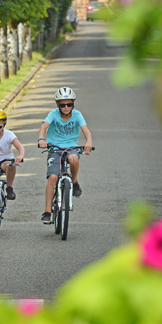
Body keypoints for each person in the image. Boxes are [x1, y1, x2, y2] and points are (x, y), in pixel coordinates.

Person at [37, 86, 93, 224]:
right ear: (58, 105)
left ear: (73, 104)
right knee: (53, 178)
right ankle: (47, 210)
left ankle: (74, 181)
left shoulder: (77, 115)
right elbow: (44, 126)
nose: (66, 107)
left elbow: (86, 130)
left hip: (71, 146)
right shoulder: (53, 114)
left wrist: (89, 142)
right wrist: (41, 139)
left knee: (73, 158)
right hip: (54, 147)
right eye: (63, 105)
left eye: (69, 104)